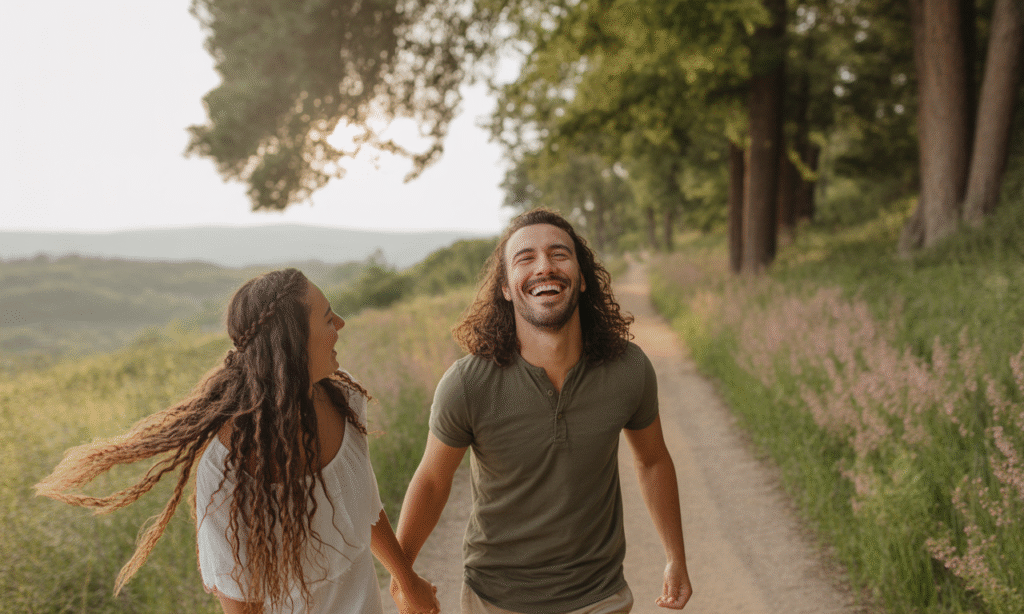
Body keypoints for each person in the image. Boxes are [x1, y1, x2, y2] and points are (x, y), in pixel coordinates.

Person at [35, 268, 441, 614]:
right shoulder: (225, 468)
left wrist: (406, 579)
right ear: (294, 341)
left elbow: (365, 500)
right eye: (328, 317)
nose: (341, 325)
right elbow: (241, 603)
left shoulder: (344, 399)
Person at [394, 208, 693, 613]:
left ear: (583, 278)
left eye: (559, 254)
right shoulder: (467, 384)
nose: (544, 268)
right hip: (494, 600)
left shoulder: (628, 368)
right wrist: (403, 575)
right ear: (504, 287)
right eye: (525, 258)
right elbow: (431, 480)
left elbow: (653, 460)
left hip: (600, 597)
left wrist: (675, 555)